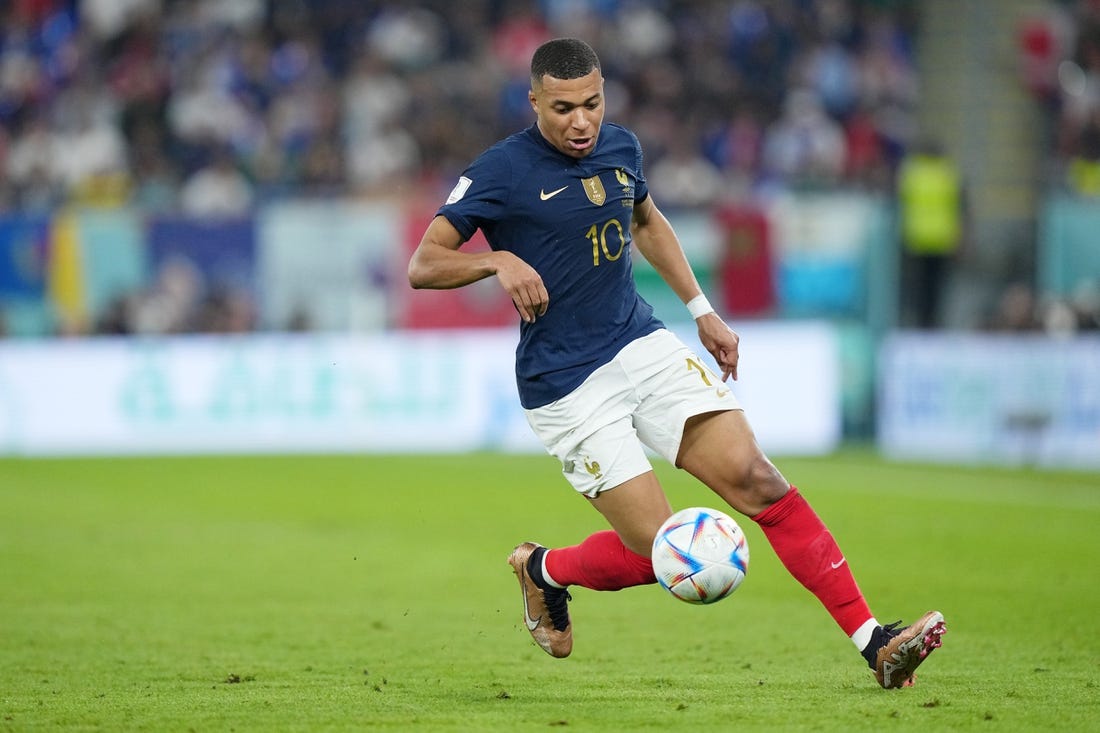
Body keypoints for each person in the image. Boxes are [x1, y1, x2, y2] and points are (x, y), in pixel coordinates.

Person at [407, 37, 945, 689]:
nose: (582, 121)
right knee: (660, 554)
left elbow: (647, 221)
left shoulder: (621, 148)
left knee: (759, 479)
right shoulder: (501, 171)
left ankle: (876, 644)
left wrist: (702, 308)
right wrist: (496, 259)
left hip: (642, 344)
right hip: (567, 385)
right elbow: (424, 263)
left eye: (593, 104)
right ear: (535, 103)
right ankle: (545, 570)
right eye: (564, 108)